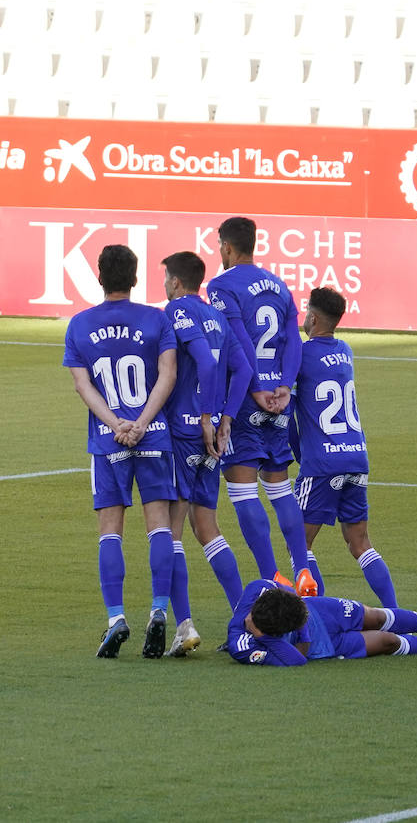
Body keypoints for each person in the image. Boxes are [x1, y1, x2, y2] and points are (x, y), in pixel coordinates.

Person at [64, 245, 178, 659]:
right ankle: (159, 612)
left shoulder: (79, 325)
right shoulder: (156, 319)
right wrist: (143, 422)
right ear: (134, 279)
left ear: (99, 277)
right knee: (159, 526)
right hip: (154, 434)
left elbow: (83, 385)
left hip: (107, 439)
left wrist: (116, 425)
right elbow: (168, 375)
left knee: (110, 530)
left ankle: (116, 619)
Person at [206, 217, 315, 596]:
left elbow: (237, 340)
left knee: (243, 492)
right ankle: (302, 570)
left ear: (229, 247)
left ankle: (273, 576)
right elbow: (292, 341)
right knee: (280, 486)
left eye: (221, 245)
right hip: (278, 400)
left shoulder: (221, 286)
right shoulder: (279, 285)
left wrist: (252, 389)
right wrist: (284, 386)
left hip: (246, 399)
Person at [159, 252, 252, 656]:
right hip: (212, 438)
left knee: (172, 529)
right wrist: (226, 416)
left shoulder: (178, 310)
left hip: (185, 430)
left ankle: (184, 626)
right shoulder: (216, 315)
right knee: (207, 529)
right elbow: (243, 371)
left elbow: (205, 362)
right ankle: (242, 619)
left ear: (178, 283)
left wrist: (206, 414)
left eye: (166, 278)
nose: (164, 285)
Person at [291, 286, 397, 606]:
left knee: (300, 544)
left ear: (312, 316)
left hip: (322, 464)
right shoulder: (346, 350)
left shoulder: (300, 355)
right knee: (360, 542)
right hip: (356, 457)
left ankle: (319, 619)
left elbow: (286, 417)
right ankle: (395, 614)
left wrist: (301, 457)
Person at [226, 578, 417, 665]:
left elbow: (290, 596)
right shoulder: (243, 646)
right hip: (326, 646)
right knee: (387, 640)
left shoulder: (258, 589)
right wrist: (264, 636)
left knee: (377, 616)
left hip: (322, 611)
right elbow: (297, 659)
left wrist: (302, 617)